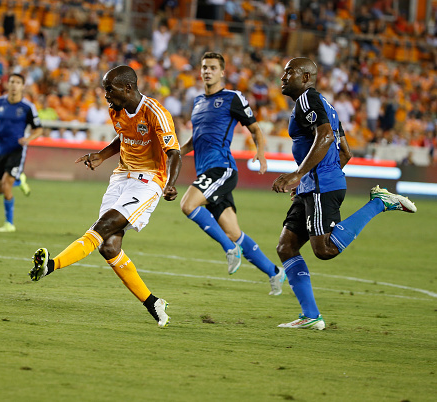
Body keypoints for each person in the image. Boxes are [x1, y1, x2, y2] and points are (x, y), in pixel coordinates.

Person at [29, 65, 182, 328]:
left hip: (147, 182)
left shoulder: (156, 112)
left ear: (128, 88)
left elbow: (174, 153)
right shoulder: (116, 109)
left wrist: (171, 182)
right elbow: (123, 137)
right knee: (108, 246)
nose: (105, 95)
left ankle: (51, 266)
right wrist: (101, 154)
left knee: (101, 229)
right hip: (121, 176)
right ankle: (153, 302)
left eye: (109, 89)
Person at [273, 57, 417, 330]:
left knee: (324, 249)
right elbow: (346, 151)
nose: (282, 78)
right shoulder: (326, 104)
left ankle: (379, 204)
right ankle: (311, 316)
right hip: (316, 185)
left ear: (305, 78)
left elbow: (326, 137)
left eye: (288, 73)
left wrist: (300, 176)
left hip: (318, 185)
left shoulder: (307, 101)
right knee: (286, 246)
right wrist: (310, 182)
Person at [179, 52, 286, 296]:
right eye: (204, 67)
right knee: (234, 232)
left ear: (222, 72)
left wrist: (261, 152)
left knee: (188, 205)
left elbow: (256, 129)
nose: (207, 71)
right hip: (207, 171)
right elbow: (196, 139)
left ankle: (230, 249)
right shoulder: (197, 102)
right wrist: (175, 152)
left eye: (213, 68)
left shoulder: (232, 98)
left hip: (222, 169)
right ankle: (274, 272)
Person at [0, 73, 43, 232]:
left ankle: (9, 223)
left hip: (17, 149)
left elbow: (38, 129)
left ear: (23, 86)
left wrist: (28, 139)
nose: (14, 85)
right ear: (7, 84)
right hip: (0, 149)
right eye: (12, 82)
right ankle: (19, 180)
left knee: (6, 183)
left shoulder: (27, 107)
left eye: (18, 82)